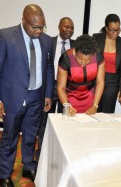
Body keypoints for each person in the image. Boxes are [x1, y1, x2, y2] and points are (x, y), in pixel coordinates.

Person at [0, 4, 54, 187]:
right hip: (13, 98)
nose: (38, 31)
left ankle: (28, 166)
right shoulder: (4, 36)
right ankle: (4, 174)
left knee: (30, 135)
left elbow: (49, 67)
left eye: (42, 27)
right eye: (34, 27)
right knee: (9, 138)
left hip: (37, 96)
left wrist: (48, 94)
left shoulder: (46, 40)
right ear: (23, 21)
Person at [37, 17, 75, 160]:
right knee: (45, 121)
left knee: (66, 120)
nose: (69, 30)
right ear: (59, 26)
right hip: (49, 86)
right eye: (66, 27)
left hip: (68, 88)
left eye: (71, 28)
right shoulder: (49, 42)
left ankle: (63, 153)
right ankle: (42, 153)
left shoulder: (76, 45)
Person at [57, 34, 105, 115]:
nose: (83, 63)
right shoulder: (66, 58)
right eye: (80, 59)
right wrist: (67, 106)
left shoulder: (98, 56)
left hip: (91, 98)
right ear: (75, 52)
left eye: (88, 60)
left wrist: (95, 105)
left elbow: (100, 82)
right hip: (69, 98)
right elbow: (61, 87)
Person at [92, 14, 121, 113]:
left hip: (112, 82)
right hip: (96, 80)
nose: (115, 33)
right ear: (106, 28)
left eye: (118, 30)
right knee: (93, 111)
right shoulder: (96, 38)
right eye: (112, 30)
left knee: (106, 113)